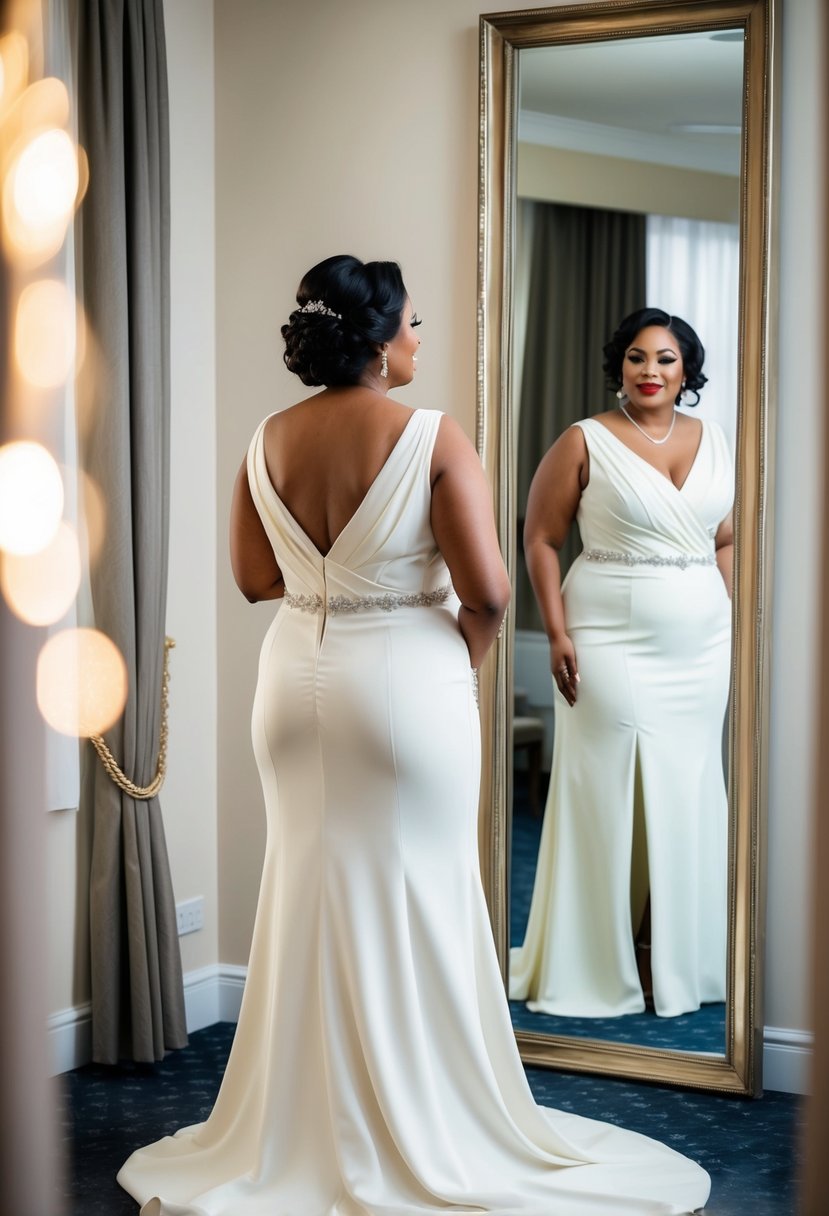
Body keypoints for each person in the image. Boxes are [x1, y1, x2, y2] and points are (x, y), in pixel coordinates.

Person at [118, 267, 710, 1213]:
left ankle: (301, 1123)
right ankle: (418, 1117)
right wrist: (441, 657)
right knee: (421, 896)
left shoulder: (267, 436)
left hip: (292, 689)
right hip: (403, 685)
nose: (421, 341)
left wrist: (332, 598)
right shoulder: (430, 433)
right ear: (381, 338)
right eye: (413, 326)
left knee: (310, 886)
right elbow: (491, 592)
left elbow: (252, 577)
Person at [510, 307, 733, 1022]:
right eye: (636, 358)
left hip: (700, 647)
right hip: (604, 634)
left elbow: (724, 537)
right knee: (602, 788)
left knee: (688, 788)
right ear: (619, 368)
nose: (649, 371)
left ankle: (679, 960)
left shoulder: (715, 438)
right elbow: (541, 538)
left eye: (664, 359)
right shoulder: (583, 441)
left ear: (685, 371)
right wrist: (555, 631)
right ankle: (588, 962)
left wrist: (725, 611)